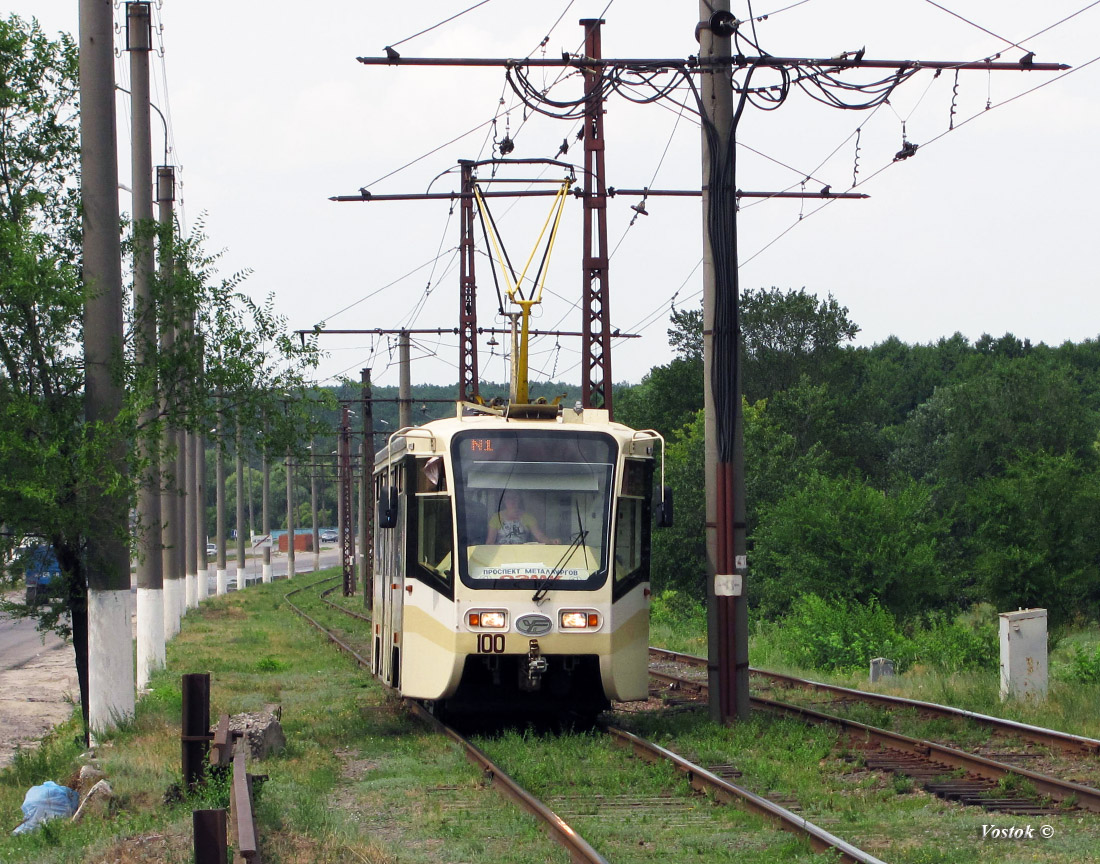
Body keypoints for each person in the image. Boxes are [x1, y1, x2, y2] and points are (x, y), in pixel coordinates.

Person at [487, 489, 555, 544]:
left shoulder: (528, 517)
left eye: (514, 497)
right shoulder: (496, 518)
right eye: (508, 498)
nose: (511, 500)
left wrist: (551, 542)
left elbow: (540, 536)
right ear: (504, 500)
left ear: (519, 499)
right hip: (501, 556)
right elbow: (490, 541)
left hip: (522, 555)